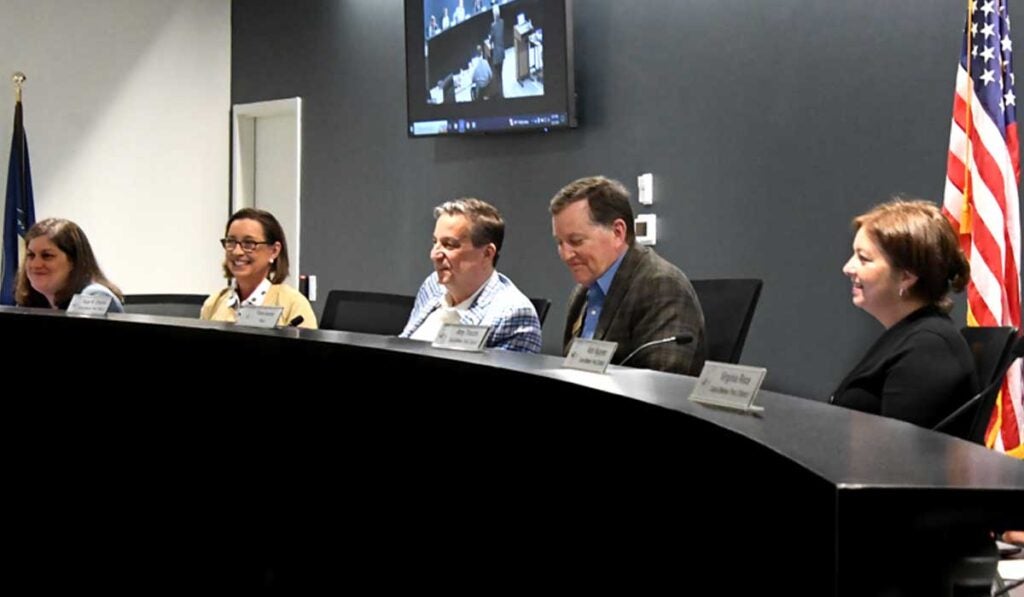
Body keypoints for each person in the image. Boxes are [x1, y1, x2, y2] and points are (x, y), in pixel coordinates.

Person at [830, 198, 978, 428]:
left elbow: (899, 457)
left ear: (906, 277)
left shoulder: (929, 348)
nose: (848, 268)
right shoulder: (909, 335)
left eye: (864, 258)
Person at [550, 176, 706, 374]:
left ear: (617, 232)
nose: (565, 255)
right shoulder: (582, 294)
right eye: (559, 243)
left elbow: (661, 383)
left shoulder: (661, 286)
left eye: (576, 241)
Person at [401, 198, 541, 352]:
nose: (434, 255)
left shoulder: (513, 314)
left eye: (449, 244)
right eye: (435, 242)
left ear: (487, 254)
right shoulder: (433, 285)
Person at [201, 207, 317, 329]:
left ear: (274, 251)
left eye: (249, 243)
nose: (237, 251)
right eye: (231, 242)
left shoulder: (293, 304)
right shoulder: (214, 303)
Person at [15, 217, 124, 313]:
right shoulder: (36, 302)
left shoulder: (95, 297)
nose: (35, 264)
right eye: (31, 255)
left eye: (47, 255)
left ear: (73, 260)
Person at [487, 4, 505, 98]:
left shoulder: (493, 25)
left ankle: (500, 95)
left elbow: (491, 39)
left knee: (497, 76)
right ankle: (502, 93)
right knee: (500, 74)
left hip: (497, 55)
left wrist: (490, 38)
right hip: (502, 53)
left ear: (494, 15)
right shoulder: (502, 22)